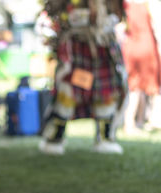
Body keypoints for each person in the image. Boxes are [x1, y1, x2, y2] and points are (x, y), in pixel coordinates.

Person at [39, 0, 128, 155]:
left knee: (106, 93)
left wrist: (106, 19)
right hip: (77, 47)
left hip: (103, 46)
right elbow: (58, 13)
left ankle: (105, 137)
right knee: (67, 93)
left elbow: (118, 13)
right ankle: (54, 137)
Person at [120, 0, 161, 134]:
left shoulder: (125, 3)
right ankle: (154, 118)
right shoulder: (151, 3)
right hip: (147, 46)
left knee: (133, 86)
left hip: (129, 46)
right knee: (158, 82)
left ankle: (132, 121)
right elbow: (158, 26)